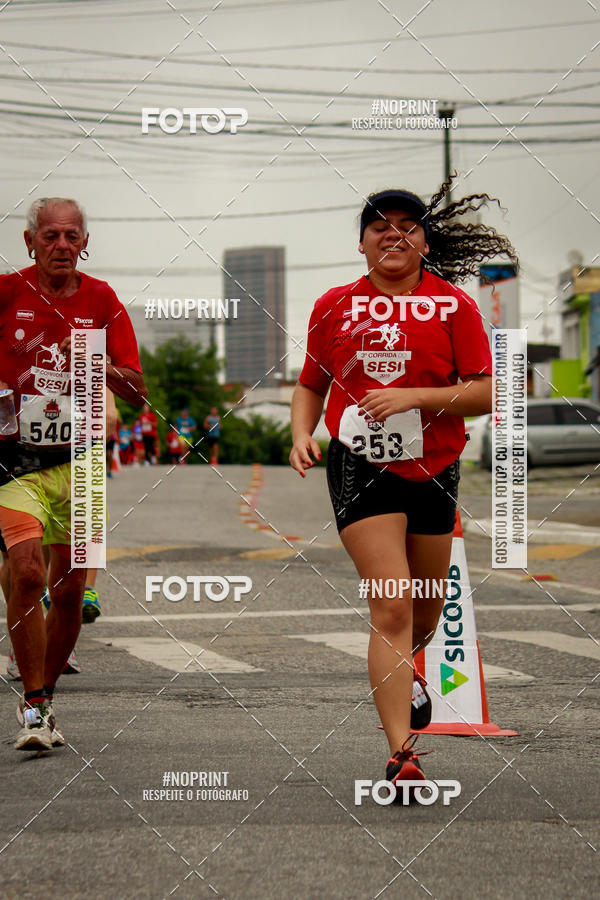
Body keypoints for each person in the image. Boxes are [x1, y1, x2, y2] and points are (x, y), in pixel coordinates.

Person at [290, 181, 518, 797]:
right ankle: (401, 751)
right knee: (390, 604)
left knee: (425, 608)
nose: (394, 235)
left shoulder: (453, 307)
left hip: (434, 468)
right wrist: (300, 434)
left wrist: (416, 396)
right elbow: (311, 381)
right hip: (360, 465)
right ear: (362, 243)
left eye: (408, 225)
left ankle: (412, 674)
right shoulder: (335, 304)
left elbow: (489, 391)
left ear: (424, 240)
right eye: (379, 227)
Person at [0, 196, 146, 752]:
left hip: (81, 464)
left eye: (71, 237)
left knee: (69, 593)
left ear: (85, 242)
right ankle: (34, 704)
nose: (61, 246)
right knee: (28, 573)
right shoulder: (8, 292)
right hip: (15, 462)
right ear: (30, 241)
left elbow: (137, 389)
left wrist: (96, 362)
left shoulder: (101, 299)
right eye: (50, 236)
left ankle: (46, 696)